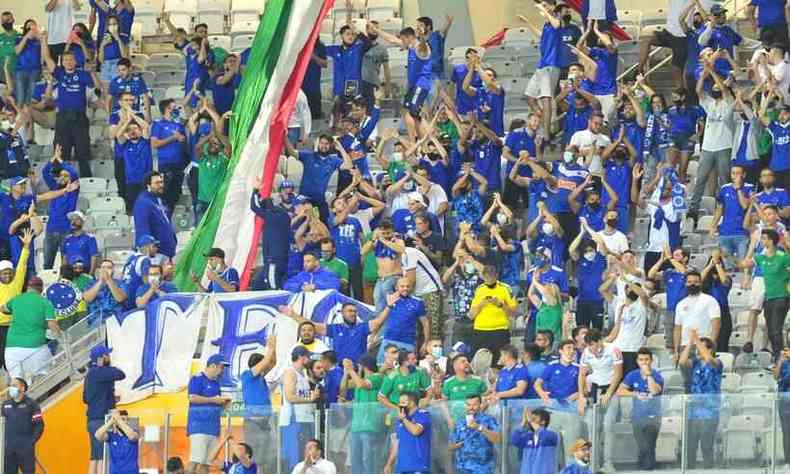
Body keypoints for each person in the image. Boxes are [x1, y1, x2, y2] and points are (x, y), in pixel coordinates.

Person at [42, 48, 99, 177]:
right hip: (63, 117)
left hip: (79, 117)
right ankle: (59, 181)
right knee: (60, 151)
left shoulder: (83, 74)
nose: (68, 62)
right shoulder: (59, 73)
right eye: (65, 60)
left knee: (82, 151)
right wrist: (44, 40)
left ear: (75, 61)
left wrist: (93, 73)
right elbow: (47, 57)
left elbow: (98, 87)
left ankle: (86, 181)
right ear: (62, 62)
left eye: (71, 59)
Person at [281, 301, 391, 364]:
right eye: (349, 311)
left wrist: (389, 306)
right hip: (340, 370)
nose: (353, 314)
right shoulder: (335, 329)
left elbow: (379, 321)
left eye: (355, 311)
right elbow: (312, 326)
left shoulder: (362, 328)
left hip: (359, 369)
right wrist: (292, 315)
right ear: (342, 313)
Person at [577, 329, 622, 472]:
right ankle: (593, 463)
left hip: (610, 388)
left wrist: (609, 393)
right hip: (594, 389)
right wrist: (581, 396)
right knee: (593, 428)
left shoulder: (613, 350)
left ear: (601, 341)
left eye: (595, 345)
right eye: (590, 346)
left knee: (608, 426)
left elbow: (618, 373)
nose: (594, 349)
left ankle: (608, 463)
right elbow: (581, 375)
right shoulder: (586, 352)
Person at [2, 275, 61, 379]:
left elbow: (3, 309)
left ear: (27, 288)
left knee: (16, 384)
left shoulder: (16, 299)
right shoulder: (45, 302)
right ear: (41, 289)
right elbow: (53, 325)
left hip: (12, 349)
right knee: (43, 381)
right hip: (35, 348)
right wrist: (61, 339)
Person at [679, 331, 722, 469]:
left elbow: (709, 359)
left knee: (706, 446)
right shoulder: (694, 363)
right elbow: (681, 361)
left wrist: (696, 339)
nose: (698, 351)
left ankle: (708, 469)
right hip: (693, 411)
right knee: (690, 447)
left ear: (710, 349)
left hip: (710, 411)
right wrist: (691, 342)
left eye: (702, 348)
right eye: (697, 348)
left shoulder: (717, 363)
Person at [617, 347, 664, 471]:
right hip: (637, 417)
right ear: (637, 361)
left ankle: (648, 468)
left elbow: (655, 391)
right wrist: (635, 394)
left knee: (649, 445)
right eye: (641, 360)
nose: (644, 362)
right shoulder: (632, 375)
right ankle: (642, 467)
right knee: (642, 446)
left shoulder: (657, 376)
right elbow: (620, 390)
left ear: (651, 361)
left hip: (654, 417)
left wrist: (648, 375)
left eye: (647, 359)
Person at [83, 343, 126, 474]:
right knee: (104, 455)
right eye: (107, 355)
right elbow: (120, 374)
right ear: (101, 358)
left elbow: (85, 398)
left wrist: (109, 398)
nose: (109, 357)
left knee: (95, 457)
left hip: (91, 420)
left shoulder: (90, 374)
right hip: (101, 420)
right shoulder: (100, 372)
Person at [340, 355, 386, 474]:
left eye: (359, 366)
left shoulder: (377, 378)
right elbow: (343, 388)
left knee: (369, 460)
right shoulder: (359, 380)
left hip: (370, 426)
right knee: (356, 461)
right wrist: (346, 373)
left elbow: (362, 385)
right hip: (356, 426)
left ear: (364, 366)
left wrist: (351, 369)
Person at [187, 354, 232, 474]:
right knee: (196, 460)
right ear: (212, 366)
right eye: (221, 367)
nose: (222, 371)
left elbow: (216, 402)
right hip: (199, 427)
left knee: (208, 462)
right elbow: (192, 398)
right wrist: (214, 399)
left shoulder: (216, 383)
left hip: (213, 427)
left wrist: (223, 404)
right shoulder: (197, 379)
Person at [239, 333, 276, 472]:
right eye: (262, 365)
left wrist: (274, 347)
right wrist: (270, 348)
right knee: (253, 456)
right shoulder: (247, 375)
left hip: (265, 421)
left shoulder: (261, 379)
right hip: (253, 421)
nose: (266, 368)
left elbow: (272, 363)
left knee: (265, 457)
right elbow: (267, 361)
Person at [280, 346, 321, 472]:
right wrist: (310, 399)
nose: (309, 360)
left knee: (304, 458)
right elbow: (289, 396)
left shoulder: (302, 375)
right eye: (308, 357)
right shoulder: (290, 372)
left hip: (303, 419)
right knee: (293, 459)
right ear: (301, 357)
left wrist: (312, 396)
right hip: (293, 421)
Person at [468, 265, 518, 365]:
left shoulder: (505, 288)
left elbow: (514, 313)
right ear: (483, 276)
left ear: (496, 275)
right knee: (479, 364)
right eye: (486, 276)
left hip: (499, 331)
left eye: (491, 276)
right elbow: (471, 315)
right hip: (480, 331)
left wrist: (500, 305)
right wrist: (481, 304)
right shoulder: (479, 289)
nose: (489, 279)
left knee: (499, 364)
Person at [673, 270, 721, 363]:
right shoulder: (680, 304)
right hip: (685, 346)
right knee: (686, 377)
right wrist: (676, 350)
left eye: (696, 282)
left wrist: (711, 346)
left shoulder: (710, 300)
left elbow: (716, 325)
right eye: (689, 282)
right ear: (685, 284)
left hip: (704, 345)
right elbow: (677, 328)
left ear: (701, 283)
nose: (692, 284)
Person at [448, 394, 501, 474]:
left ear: (480, 405)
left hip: (483, 468)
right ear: (465, 405)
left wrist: (479, 427)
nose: (471, 407)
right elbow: (450, 445)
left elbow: (498, 439)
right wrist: (457, 445)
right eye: (468, 404)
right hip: (462, 468)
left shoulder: (488, 419)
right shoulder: (460, 422)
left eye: (474, 404)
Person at [383, 391, 432, 474]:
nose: (399, 405)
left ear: (412, 403)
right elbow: (397, 444)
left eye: (402, 402)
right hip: (401, 467)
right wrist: (389, 464)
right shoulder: (400, 421)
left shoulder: (423, 414)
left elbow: (416, 431)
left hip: (418, 466)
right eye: (399, 402)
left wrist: (404, 419)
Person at [2, 377, 44, 474]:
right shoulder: (5, 405)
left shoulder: (32, 404)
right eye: (10, 386)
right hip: (8, 450)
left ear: (23, 388)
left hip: (25, 450)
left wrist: (31, 442)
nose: (11, 388)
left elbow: (39, 426)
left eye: (14, 385)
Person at [133, 171, 177, 258]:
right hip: (156, 254)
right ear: (148, 186)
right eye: (157, 183)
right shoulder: (143, 202)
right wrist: (148, 252)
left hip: (167, 252)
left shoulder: (158, 200)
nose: (161, 185)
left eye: (161, 182)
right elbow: (142, 228)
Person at [510, 408, 560, 474]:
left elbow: (545, 436)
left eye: (534, 419)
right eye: (530, 419)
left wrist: (531, 421)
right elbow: (515, 440)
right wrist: (523, 422)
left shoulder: (552, 435)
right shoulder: (528, 436)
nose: (530, 420)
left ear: (543, 421)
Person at [534, 339, 580, 407]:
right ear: (560, 351)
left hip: (572, 404)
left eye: (574, 349)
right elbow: (537, 384)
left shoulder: (578, 368)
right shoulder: (552, 366)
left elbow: (585, 389)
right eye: (568, 348)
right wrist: (542, 393)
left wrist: (578, 394)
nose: (572, 351)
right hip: (553, 403)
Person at [94, 409, 140, 474]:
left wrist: (119, 420)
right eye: (123, 419)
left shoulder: (134, 432)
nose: (126, 422)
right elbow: (97, 435)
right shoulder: (111, 435)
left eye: (127, 419)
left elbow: (132, 436)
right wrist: (111, 421)